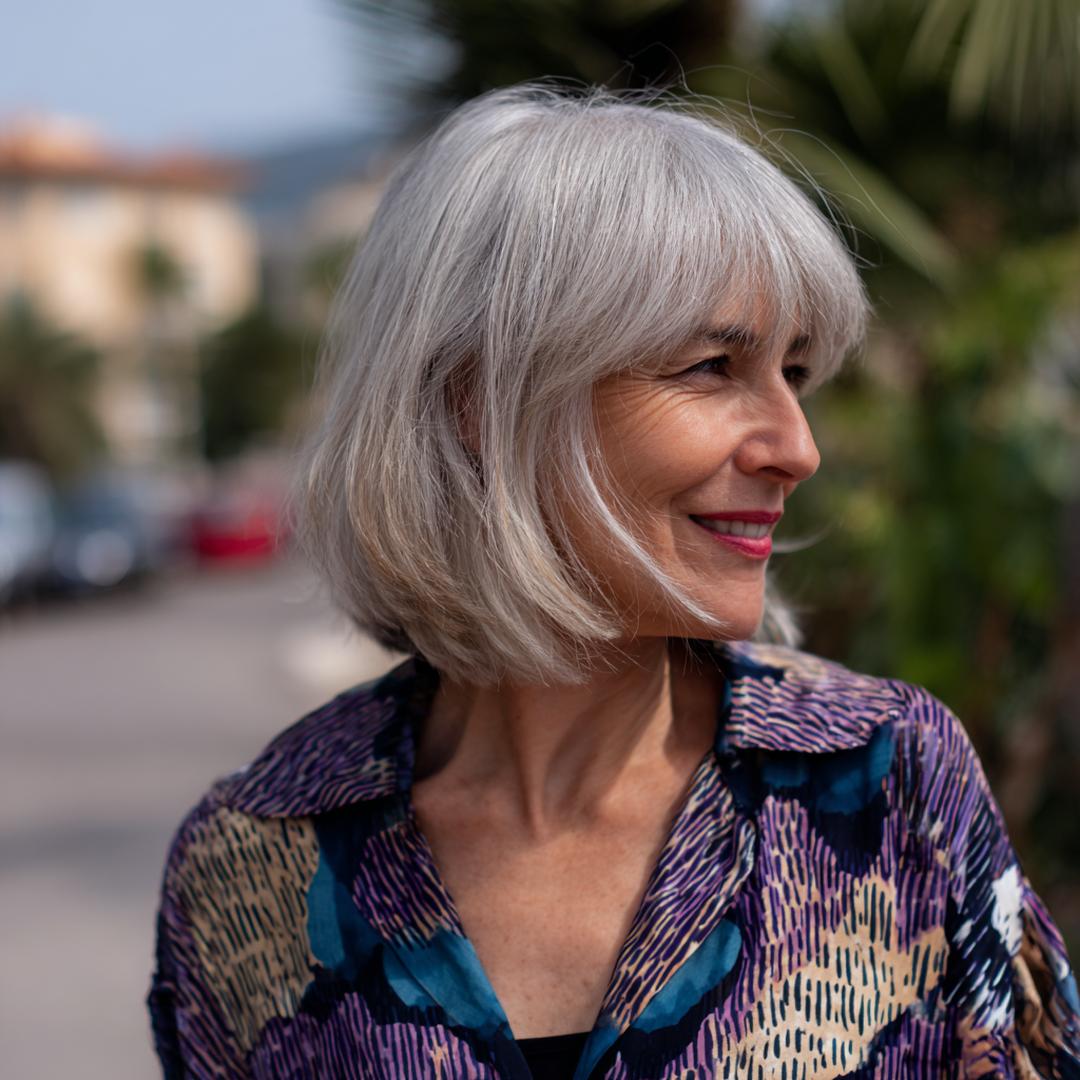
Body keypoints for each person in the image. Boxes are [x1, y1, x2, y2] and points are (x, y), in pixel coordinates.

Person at [147, 84, 1080, 1079]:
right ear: (483, 398)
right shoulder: (252, 861)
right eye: (716, 365)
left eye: (794, 374)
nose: (795, 447)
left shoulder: (885, 785)